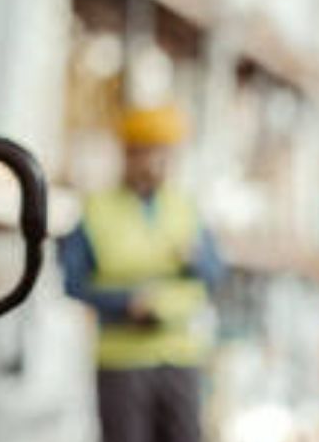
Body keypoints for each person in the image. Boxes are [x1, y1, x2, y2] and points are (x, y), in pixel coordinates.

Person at [59, 104, 226, 442]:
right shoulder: (97, 210)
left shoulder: (186, 208)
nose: (160, 164)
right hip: (123, 359)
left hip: (180, 354)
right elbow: (72, 281)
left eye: (167, 156)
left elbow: (215, 274)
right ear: (130, 155)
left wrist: (197, 260)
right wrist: (123, 303)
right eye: (151, 154)